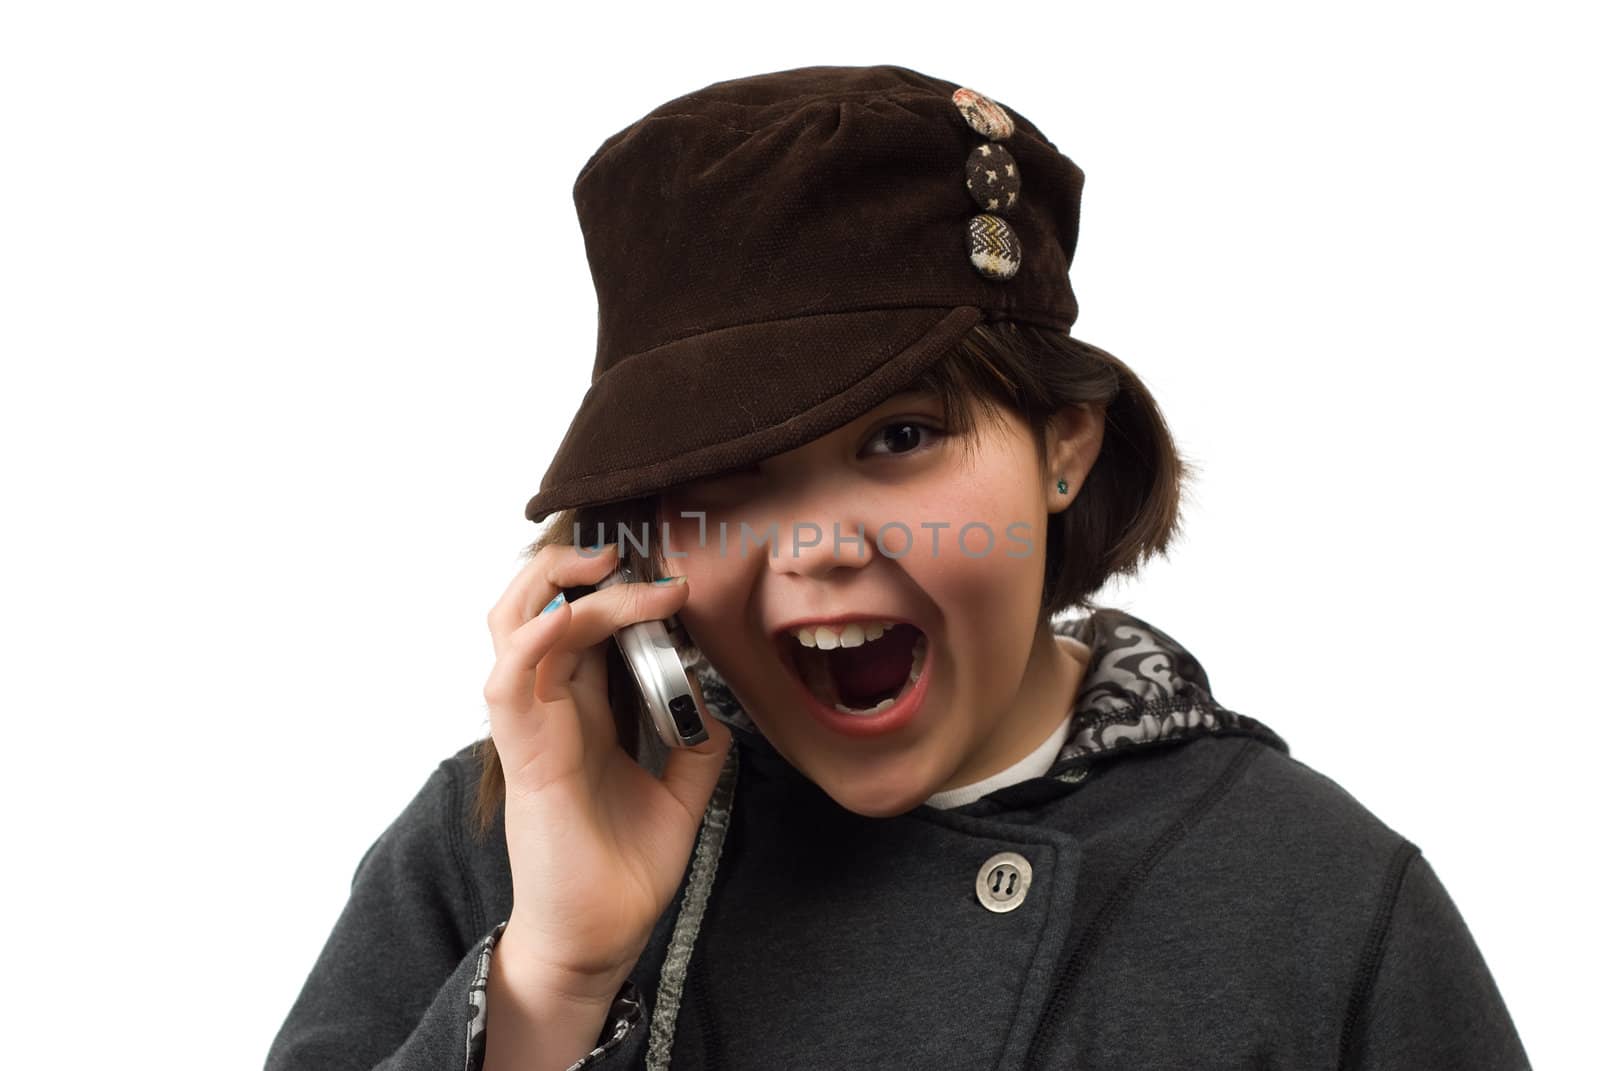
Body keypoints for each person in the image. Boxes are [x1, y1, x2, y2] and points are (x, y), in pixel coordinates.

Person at [263, 64, 1531, 1070]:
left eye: (902, 439)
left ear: (1065, 448)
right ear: (633, 540)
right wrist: (551, 987)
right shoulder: (508, 839)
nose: (818, 544)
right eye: (724, 475)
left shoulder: (1317, 898)